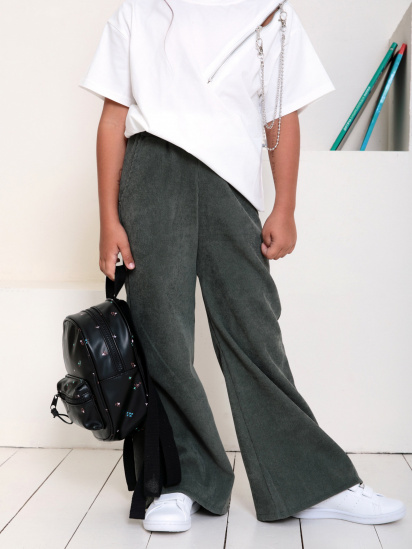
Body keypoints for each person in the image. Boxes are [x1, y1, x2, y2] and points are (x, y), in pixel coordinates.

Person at [79, 0, 406, 533]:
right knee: (161, 333)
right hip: (151, 171)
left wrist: (285, 207)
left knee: (255, 329)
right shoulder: (139, 12)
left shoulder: (271, 12)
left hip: (230, 181)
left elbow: (282, 115)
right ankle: (183, 481)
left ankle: (309, 482)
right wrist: (108, 219)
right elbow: (113, 118)